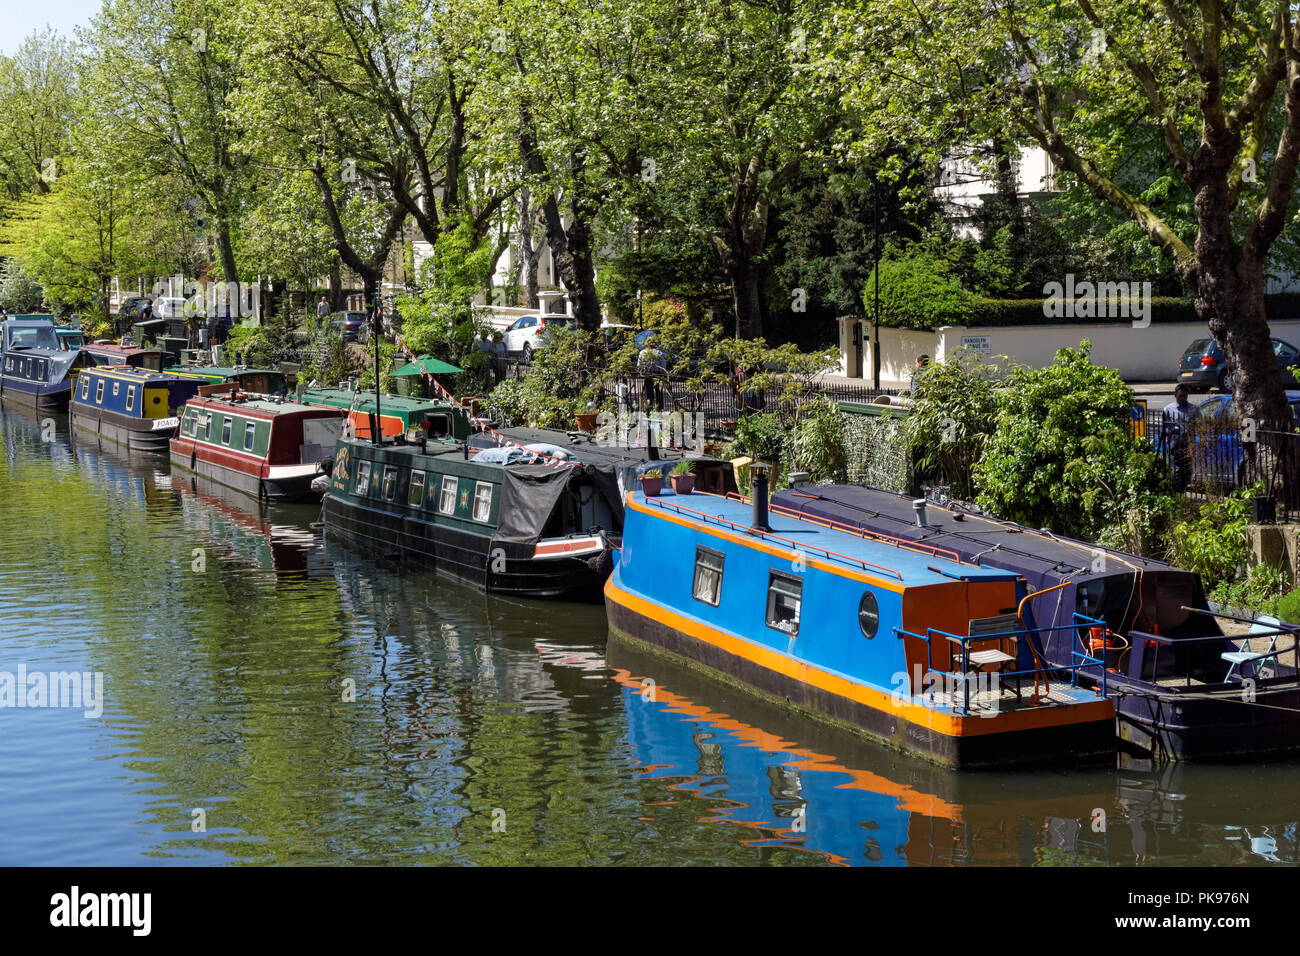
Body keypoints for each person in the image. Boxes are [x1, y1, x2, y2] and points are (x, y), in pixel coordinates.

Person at [1161, 383, 1198, 491]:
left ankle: (1182, 489)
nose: (1183, 398)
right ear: (1175, 395)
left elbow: (1199, 424)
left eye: (1185, 396)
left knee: (1187, 469)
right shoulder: (1168, 409)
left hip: (1188, 443)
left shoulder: (1194, 409)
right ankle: (1177, 491)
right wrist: (1172, 432)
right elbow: (1164, 428)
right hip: (1175, 443)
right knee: (1177, 469)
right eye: (1180, 396)